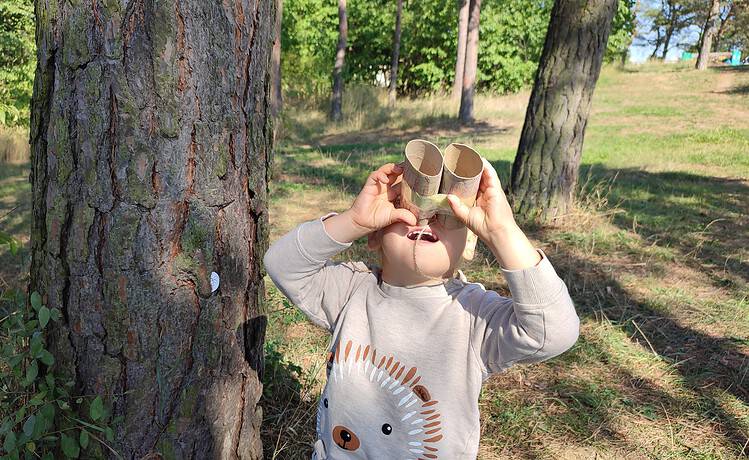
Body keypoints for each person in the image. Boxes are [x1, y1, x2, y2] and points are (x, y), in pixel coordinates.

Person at [263, 157, 580, 459]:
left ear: (470, 243)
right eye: (406, 206)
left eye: (448, 215)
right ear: (375, 235)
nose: (425, 217)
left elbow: (554, 331)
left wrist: (501, 232)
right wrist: (354, 220)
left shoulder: (472, 315)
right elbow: (281, 264)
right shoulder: (351, 290)